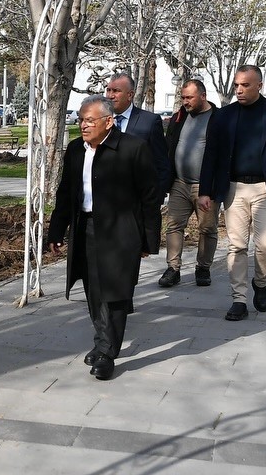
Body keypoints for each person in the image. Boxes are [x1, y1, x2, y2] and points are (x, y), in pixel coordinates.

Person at [47, 95, 161, 381]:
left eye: (89, 120)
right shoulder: (76, 149)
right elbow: (66, 192)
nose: (83, 125)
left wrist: (148, 240)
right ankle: (102, 342)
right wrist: (56, 230)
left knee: (116, 291)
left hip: (121, 232)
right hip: (85, 227)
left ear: (108, 122)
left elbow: (150, 197)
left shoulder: (133, 148)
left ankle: (108, 353)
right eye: (81, 120)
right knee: (94, 290)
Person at [198, 65, 266, 321]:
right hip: (233, 188)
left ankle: (261, 282)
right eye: (236, 85)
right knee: (236, 245)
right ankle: (239, 299)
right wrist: (205, 191)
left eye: (245, 85)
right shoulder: (224, 115)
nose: (239, 90)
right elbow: (210, 154)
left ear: (259, 85)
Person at [159, 78, 219, 287]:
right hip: (179, 183)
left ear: (203, 96)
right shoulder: (180, 117)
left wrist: (211, 187)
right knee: (174, 225)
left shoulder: (218, 118)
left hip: (206, 187)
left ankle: (203, 268)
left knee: (207, 228)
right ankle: (173, 269)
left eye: (189, 98)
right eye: (183, 97)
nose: (185, 101)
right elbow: (169, 146)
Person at [105, 72, 171, 202]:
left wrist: (156, 198)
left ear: (130, 95)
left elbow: (161, 164)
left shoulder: (149, 121)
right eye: (108, 90)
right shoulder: (100, 120)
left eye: (116, 91)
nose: (110, 95)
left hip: (138, 200)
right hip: (106, 198)